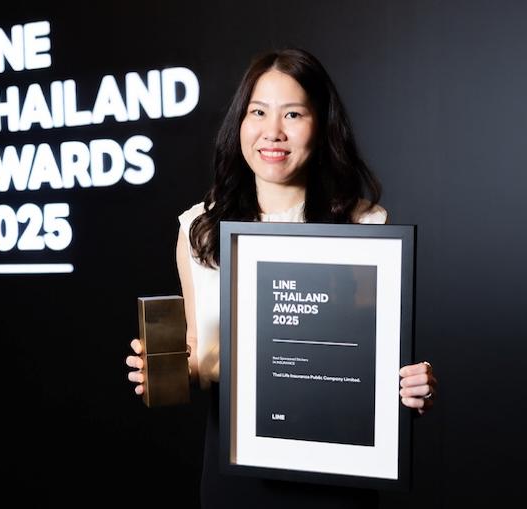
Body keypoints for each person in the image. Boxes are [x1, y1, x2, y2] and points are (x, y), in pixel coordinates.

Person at [126, 48, 437, 508]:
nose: (273, 131)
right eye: (258, 112)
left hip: (339, 462)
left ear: (321, 125)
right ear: (239, 123)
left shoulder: (367, 226)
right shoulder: (199, 229)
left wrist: (411, 383)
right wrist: (164, 368)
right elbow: (199, 352)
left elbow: (372, 359)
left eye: (293, 114)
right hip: (236, 464)